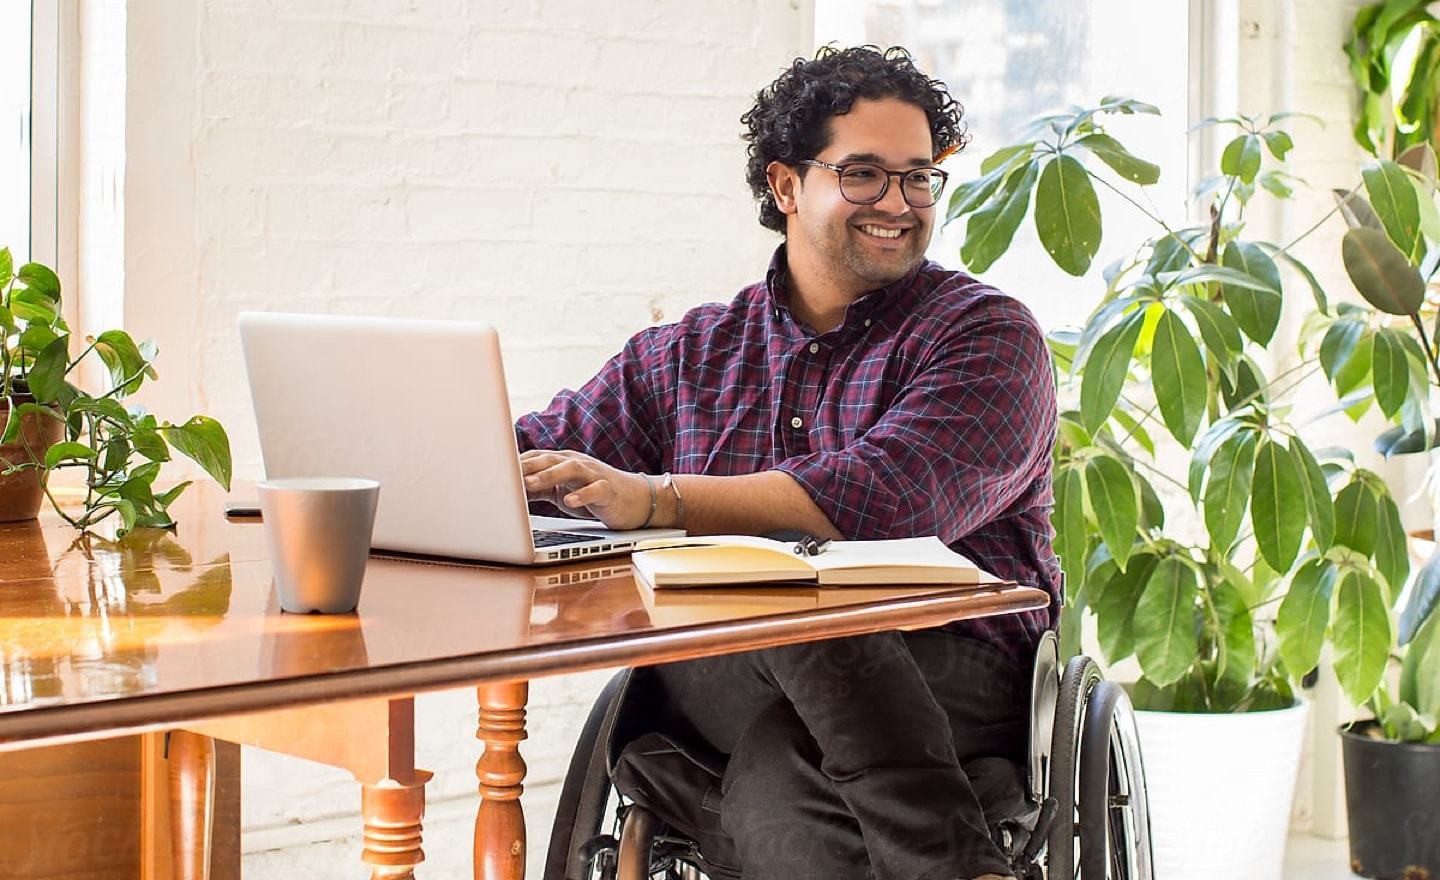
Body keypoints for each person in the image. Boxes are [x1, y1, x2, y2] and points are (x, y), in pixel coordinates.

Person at [516, 45, 1059, 880]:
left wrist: (661, 502)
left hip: (956, 667)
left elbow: (891, 500)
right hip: (730, 668)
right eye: (865, 175)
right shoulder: (689, 354)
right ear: (784, 186)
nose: (900, 203)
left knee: (784, 731)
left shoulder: (986, 336)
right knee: (776, 598)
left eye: (918, 177)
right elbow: (540, 456)